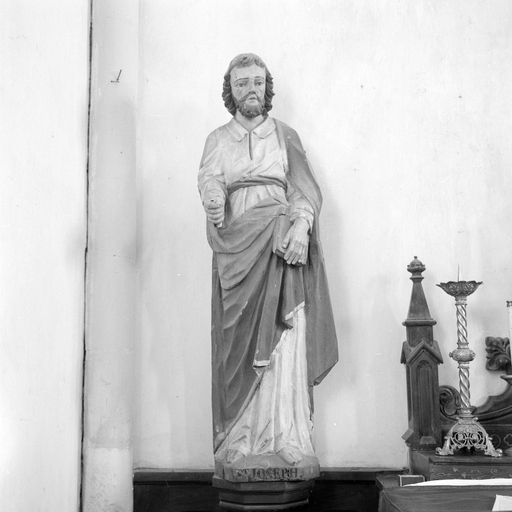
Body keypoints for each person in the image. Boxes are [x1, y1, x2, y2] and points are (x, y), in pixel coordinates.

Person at [198, 53, 338, 476]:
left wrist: (302, 226)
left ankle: (288, 438)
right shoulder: (218, 139)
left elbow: (305, 189)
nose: (251, 90)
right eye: (241, 83)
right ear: (230, 90)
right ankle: (237, 441)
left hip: (280, 248)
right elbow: (210, 178)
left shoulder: (285, 135)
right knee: (236, 345)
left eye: (257, 82)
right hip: (237, 251)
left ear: (267, 87)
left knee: (286, 339)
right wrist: (213, 198)